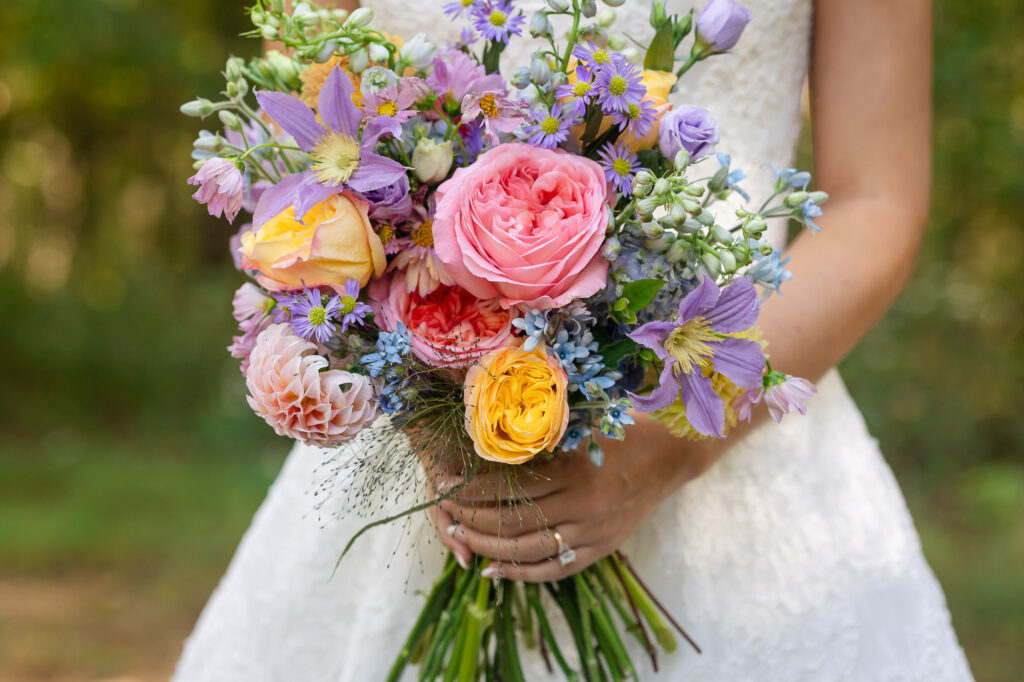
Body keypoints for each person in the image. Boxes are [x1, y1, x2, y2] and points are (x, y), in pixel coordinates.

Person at [174, 0, 975, 679]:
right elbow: (296, 147)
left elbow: (876, 200)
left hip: (737, 401)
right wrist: (429, 395)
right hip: (417, 452)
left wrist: (666, 444)